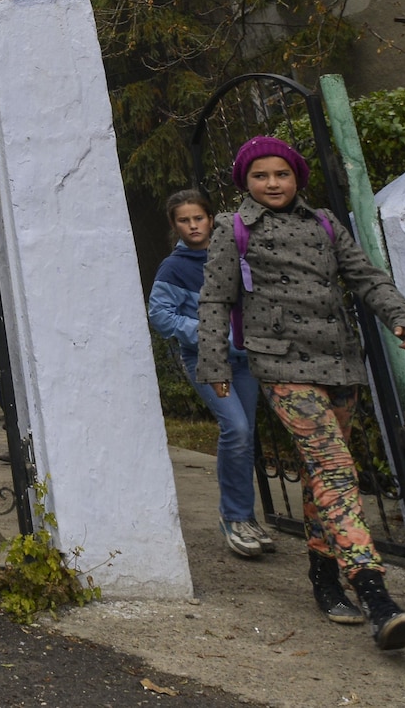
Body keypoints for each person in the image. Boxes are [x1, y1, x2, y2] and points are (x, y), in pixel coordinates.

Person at [197, 136, 405, 652]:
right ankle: (375, 594)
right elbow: (215, 299)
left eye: (281, 174)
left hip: (339, 360)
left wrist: (403, 318)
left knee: (319, 473)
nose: (272, 184)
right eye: (260, 176)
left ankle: (324, 577)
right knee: (332, 467)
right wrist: (214, 363)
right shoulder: (230, 228)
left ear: (297, 177)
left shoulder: (325, 223)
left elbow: (366, 278)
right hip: (281, 363)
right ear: (245, 182)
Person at [147, 188, 271, 560]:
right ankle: (233, 518)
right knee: (235, 428)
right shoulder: (173, 268)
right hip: (204, 361)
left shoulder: (231, 254)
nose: (192, 225)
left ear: (210, 218)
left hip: (246, 361)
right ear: (175, 225)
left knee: (245, 436)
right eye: (184, 220)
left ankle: (245, 517)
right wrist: (207, 332)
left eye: (198, 218)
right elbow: (159, 314)